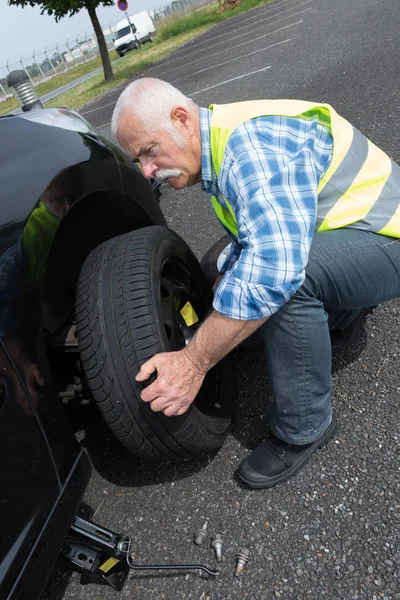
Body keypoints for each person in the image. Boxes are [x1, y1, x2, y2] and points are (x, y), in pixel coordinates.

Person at [110, 77, 400, 489]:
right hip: (351, 228)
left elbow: (273, 271)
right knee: (223, 268)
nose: (147, 171)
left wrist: (194, 362)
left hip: (388, 235)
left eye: (149, 152)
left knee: (287, 283)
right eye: (138, 160)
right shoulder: (220, 143)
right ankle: (342, 316)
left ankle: (305, 427)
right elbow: (254, 235)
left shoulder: (249, 151)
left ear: (181, 120)